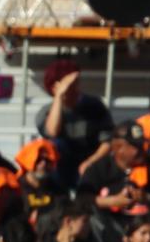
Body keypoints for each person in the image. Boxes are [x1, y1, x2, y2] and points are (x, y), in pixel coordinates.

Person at [38, 56, 112, 185]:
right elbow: (52, 132)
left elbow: (107, 141)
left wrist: (90, 162)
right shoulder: (46, 112)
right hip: (60, 167)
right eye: (70, 85)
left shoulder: (95, 106)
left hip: (90, 160)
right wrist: (59, 96)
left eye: (76, 83)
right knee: (57, 144)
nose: (74, 89)